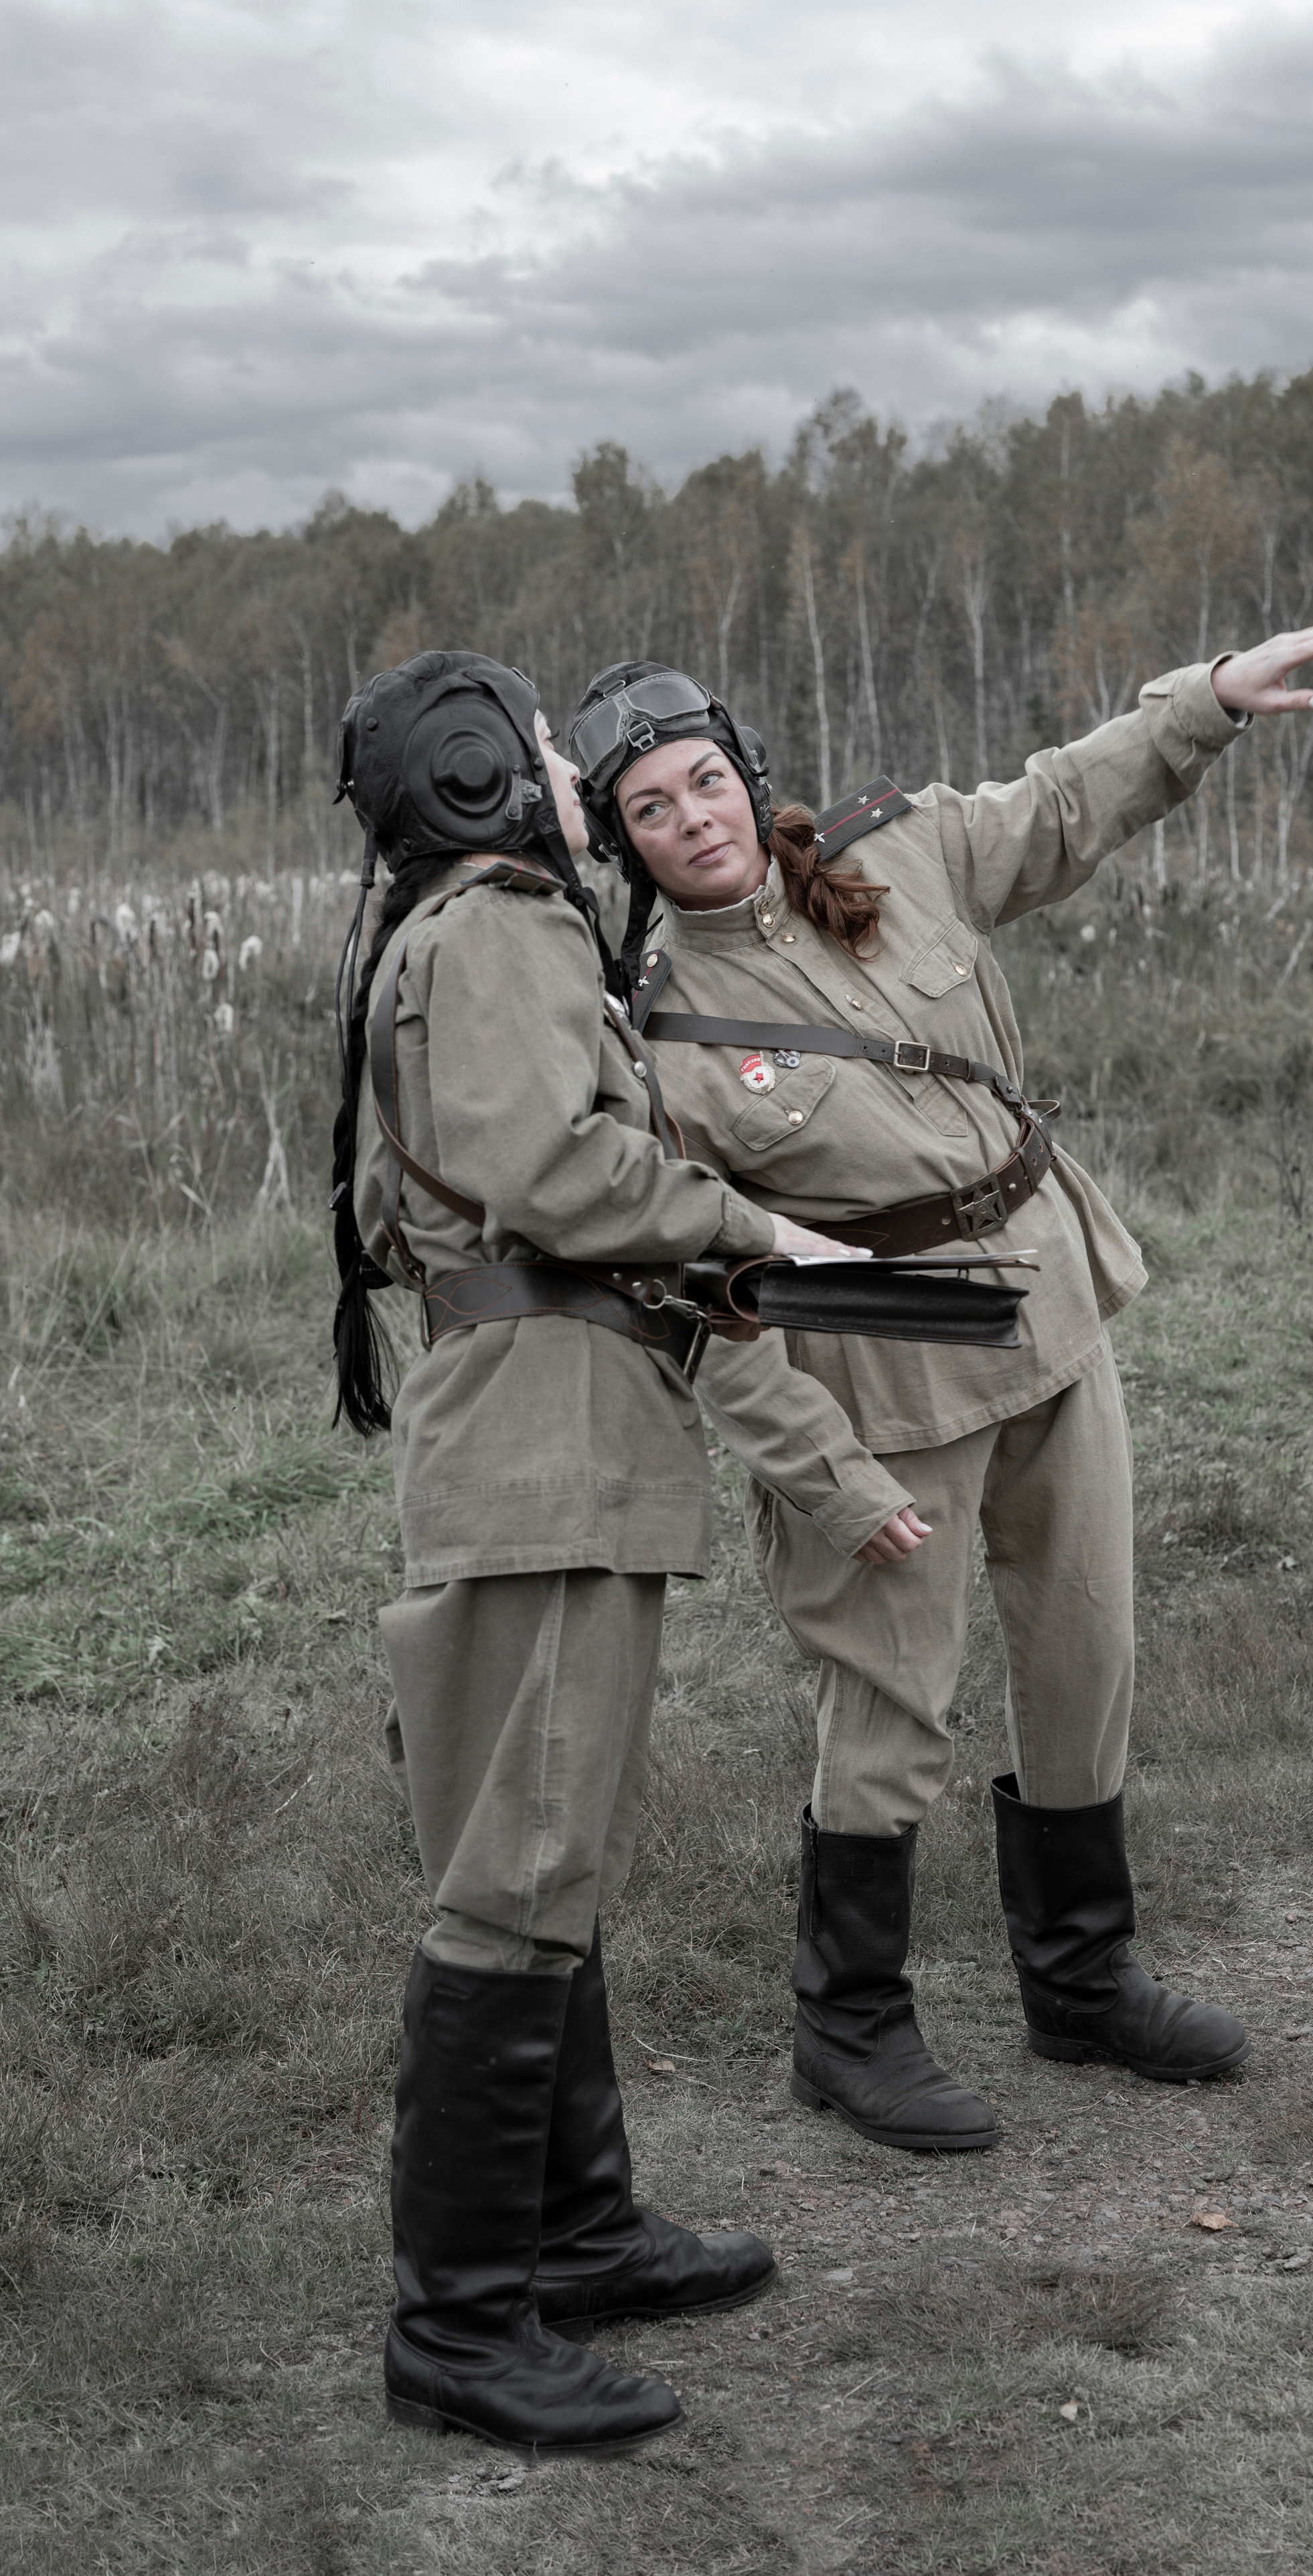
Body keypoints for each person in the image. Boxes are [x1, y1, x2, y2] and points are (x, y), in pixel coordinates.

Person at [565, 617, 1313, 2157]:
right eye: (647, 811)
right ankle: (849, 2029)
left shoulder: (901, 856)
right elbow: (708, 1294)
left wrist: (1201, 703)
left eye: (699, 782)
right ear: (623, 843)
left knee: (1083, 1654)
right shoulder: (655, 1037)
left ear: (743, 769)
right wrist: (824, 1473)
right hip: (882, 1371)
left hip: (1050, 1306)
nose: (690, 821)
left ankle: (1082, 1979)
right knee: (890, 1706)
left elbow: (1066, 804)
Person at [329, 648, 857, 2455]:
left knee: (546, 1845)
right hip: (541, 1435)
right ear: (481, 779)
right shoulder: (498, 929)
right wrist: (744, 1216)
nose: (575, 781)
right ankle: (463, 2330)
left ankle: (576, 2231)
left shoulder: (471, 927)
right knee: (519, 1866)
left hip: (557, 1422)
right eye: (551, 756)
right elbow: (553, 1169)